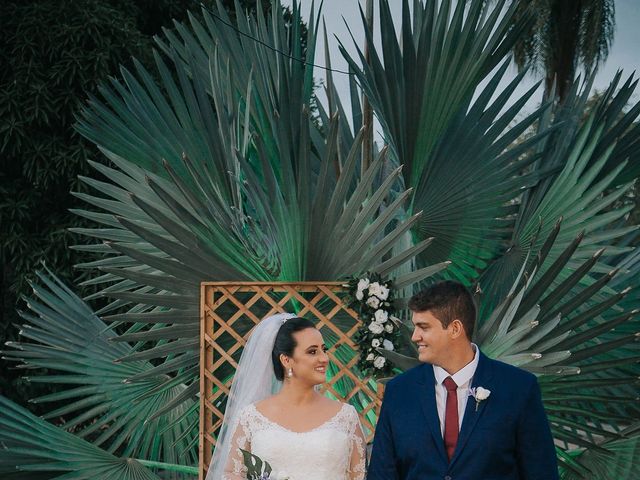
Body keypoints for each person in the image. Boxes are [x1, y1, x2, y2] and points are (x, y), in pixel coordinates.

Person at [368, 281, 559, 480]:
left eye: (423, 327)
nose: (415, 336)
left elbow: (541, 473)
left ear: (455, 329)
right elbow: (382, 474)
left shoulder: (518, 389)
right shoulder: (399, 392)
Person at [205, 313, 366, 480]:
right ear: (286, 360)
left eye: (324, 350)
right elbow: (232, 474)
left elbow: (358, 475)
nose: (324, 358)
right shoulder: (251, 417)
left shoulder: (346, 417)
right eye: (312, 351)